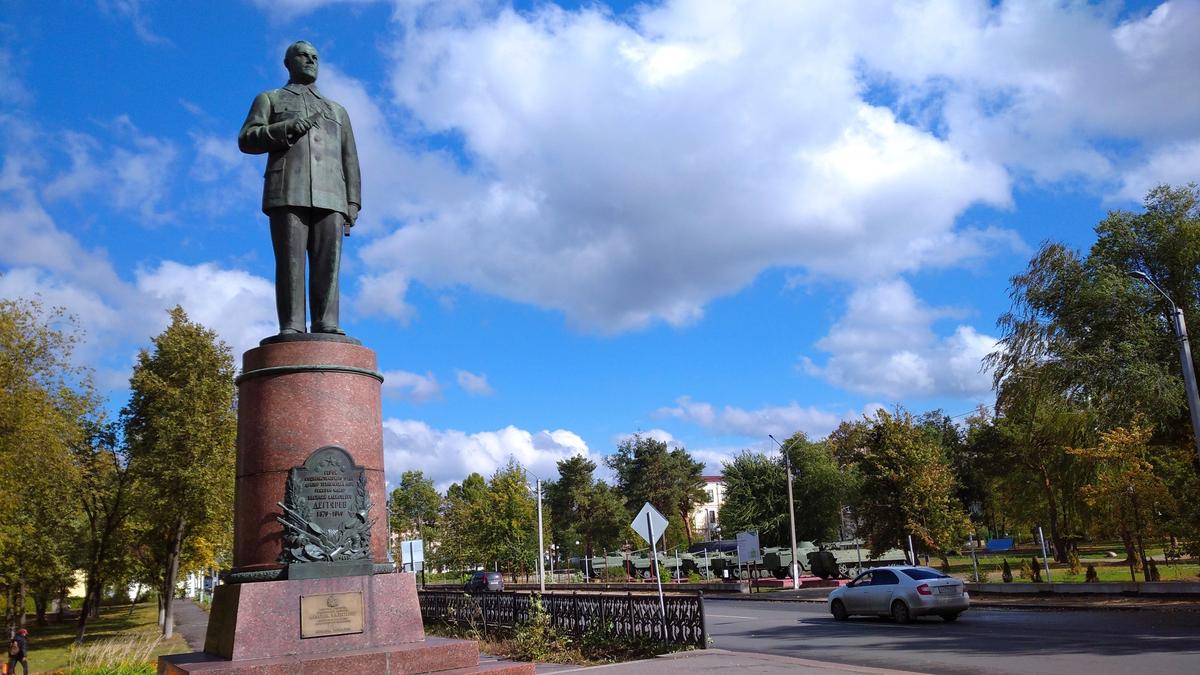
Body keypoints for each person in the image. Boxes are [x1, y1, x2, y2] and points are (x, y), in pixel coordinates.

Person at [239, 40, 362, 336]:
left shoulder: (337, 110)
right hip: (287, 189)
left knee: (328, 266)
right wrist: (283, 129)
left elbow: (350, 159)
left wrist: (353, 203)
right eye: (303, 56)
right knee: (290, 264)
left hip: (332, 195)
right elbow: (247, 139)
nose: (310, 60)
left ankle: (326, 322)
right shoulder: (270, 98)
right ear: (288, 63)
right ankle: (292, 325)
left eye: (315, 57)